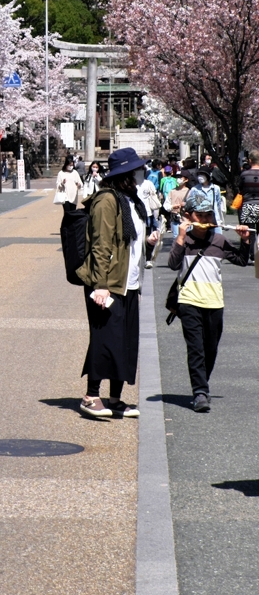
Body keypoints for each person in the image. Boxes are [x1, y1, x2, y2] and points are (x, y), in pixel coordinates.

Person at [76, 147, 158, 419]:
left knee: (125, 341)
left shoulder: (131, 199)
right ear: (124, 173)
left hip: (129, 282)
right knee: (105, 339)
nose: (140, 174)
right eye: (136, 170)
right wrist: (100, 284)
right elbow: (101, 245)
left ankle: (115, 398)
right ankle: (90, 396)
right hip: (108, 282)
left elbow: (129, 239)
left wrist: (148, 241)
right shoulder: (106, 201)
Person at [168, 200, 250, 412]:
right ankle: (200, 393)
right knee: (195, 349)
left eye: (208, 215)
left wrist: (245, 241)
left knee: (210, 349)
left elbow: (241, 260)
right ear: (190, 216)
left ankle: (202, 385)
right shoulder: (184, 240)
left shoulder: (219, 240)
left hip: (214, 302)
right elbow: (173, 264)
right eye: (199, 215)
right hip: (189, 301)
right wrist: (179, 236)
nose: (204, 220)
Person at [237, 149, 259, 263]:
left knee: (250, 231)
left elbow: (240, 189)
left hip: (248, 204)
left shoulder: (244, 174)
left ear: (250, 161)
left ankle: (252, 254)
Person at [187, 165, 224, 230]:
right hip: (199, 219)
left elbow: (218, 205)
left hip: (213, 219)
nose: (200, 177)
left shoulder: (215, 188)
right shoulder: (194, 189)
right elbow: (190, 204)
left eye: (202, 174)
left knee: (216, 238)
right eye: (199, 174)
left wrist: (220, 220)